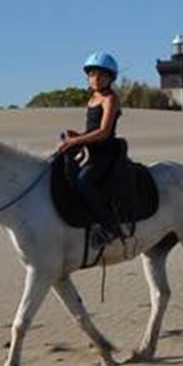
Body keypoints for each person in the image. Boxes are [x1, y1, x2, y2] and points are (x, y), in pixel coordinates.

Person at [56, 53, 124, 244]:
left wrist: (76, 141)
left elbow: (103, 132)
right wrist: (75, 136)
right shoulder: (93, 98)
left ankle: (110, 227)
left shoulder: (110, 99)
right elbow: (92, 129)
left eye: (102, 75)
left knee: (84, 180)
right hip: (90, 148)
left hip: (105, 151)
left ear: (111, 78)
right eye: (92, 74)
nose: (96, 78)